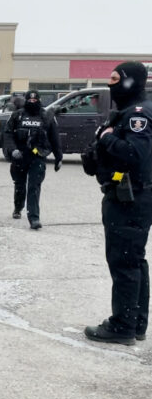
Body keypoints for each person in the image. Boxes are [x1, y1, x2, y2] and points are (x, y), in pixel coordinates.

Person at [82, 62, 152, 346]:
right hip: (126, 196)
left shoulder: (138, 114)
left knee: (124, 262)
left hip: (130, 198)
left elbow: (135, 153)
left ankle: (123, 325)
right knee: (134, 260)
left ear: (130, 82)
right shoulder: (122, 114)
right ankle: (135, 322)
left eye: (115, 79)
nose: (109, 84)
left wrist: (108, 139)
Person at [4, 90, 62, 229]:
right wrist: (13, 150)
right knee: (19, 185)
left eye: (35, 100)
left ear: (39, 100)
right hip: (20, 156)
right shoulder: (17, 115)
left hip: (38, 156)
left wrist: (58, 157)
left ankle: (34, 218)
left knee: (34, 187)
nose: (32, 102)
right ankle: (18, 208)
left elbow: (54, 138)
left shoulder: (46, 116)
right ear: (26, 101)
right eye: (29, 100)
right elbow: (7, 134)